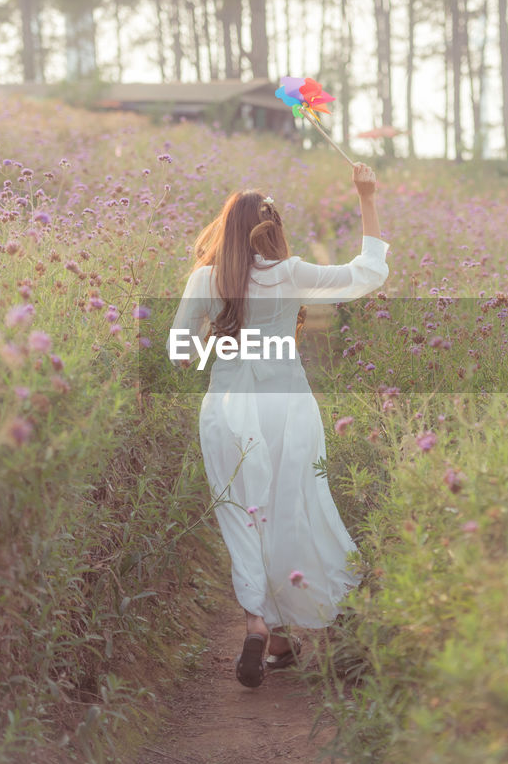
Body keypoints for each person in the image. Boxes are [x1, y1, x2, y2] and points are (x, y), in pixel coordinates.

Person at [167, 162, 389, 688]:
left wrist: (216, 347)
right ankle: (307, 623)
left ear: (227, 228)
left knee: (243, 513)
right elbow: (368, 274)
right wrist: (366, 195)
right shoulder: (291, 273)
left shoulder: (207, 278)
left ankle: (258, 624)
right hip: (288, 405)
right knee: (292, 507)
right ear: (273, 228)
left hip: (228, 407)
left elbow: (177, 350)